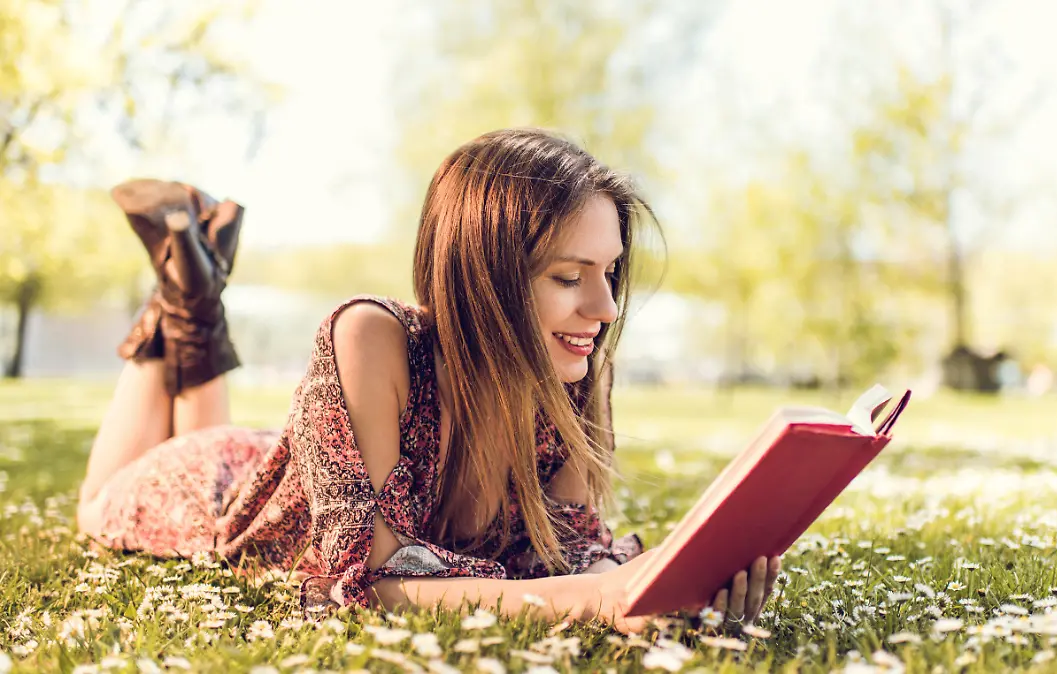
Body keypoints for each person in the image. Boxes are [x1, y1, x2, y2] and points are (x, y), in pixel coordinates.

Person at [74, 128, 782, 634]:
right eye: (568, 277)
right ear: (484, 278)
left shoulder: (568, 367)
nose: (604, 309)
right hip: (209, 489)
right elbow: (373, 584)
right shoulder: (369, 336)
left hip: (269, 464)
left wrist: (666, 579)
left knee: (235, 450)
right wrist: (597, 598)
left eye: (608, 273)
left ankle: (195, 278)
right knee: (99, 505)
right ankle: (184, 293)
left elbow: (569, 552)